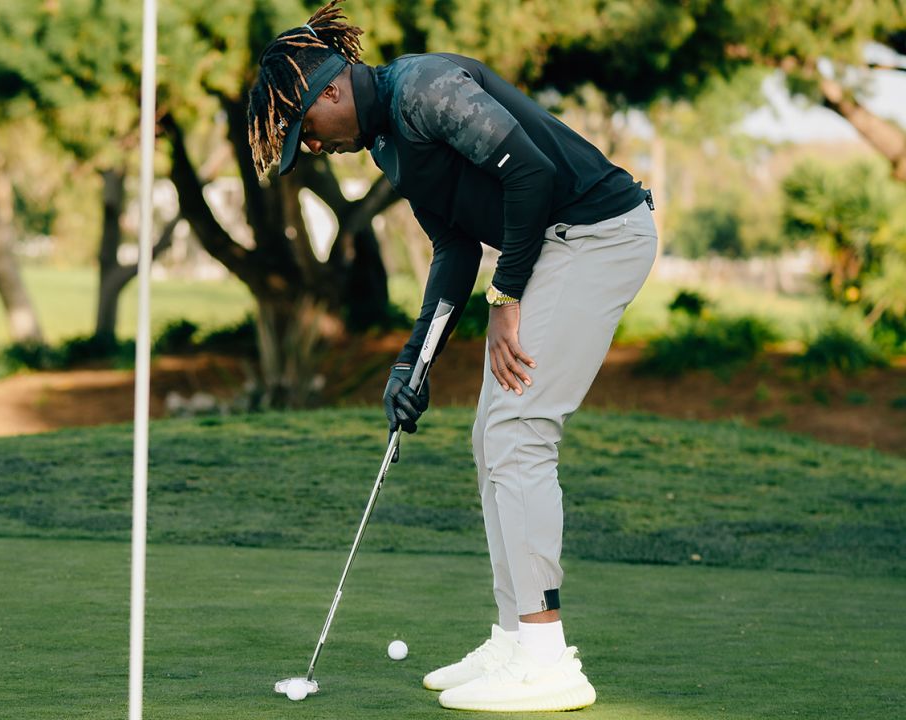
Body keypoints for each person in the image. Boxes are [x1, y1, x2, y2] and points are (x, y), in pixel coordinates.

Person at [247, 0, 658, 713]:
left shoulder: (426, 91)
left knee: (519, 432)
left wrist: (505, 301)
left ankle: (545, 656)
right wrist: (413, 364)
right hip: (558, 244)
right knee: (489, 435)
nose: (310, 148)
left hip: (596, 235)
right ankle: (513, 639)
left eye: (305, 131)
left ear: (333, 92)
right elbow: (454, 248)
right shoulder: (387, 143)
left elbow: (528, 174)